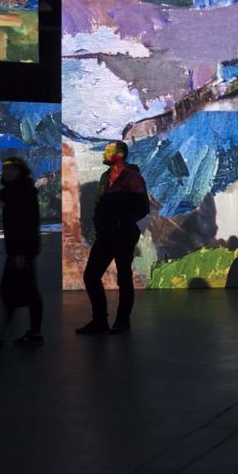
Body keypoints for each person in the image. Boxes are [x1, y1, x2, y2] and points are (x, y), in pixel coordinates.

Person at [77, 141, 150, 336]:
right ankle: (99, 320)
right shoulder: (105, 177)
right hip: (107, 233)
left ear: (119, 155)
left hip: (124, 234)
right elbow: (101, 204)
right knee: (91, 276)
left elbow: (143, 208)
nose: (104, 152)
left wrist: (121, 222)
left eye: (108, 150)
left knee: (123, 276)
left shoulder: (132, 177)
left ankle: (122, 321)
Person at [0, 157, 44, 346]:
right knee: (17, 291)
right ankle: (24, 331)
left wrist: (21, 254)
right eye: (6, 169)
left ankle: (30, 332)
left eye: (13, 169)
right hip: (18, 250)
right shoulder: (12, 192)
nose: (8, 172)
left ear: (20, 171)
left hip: (22, 251)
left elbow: (27, 225)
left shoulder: (22, 193)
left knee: (25, 292)